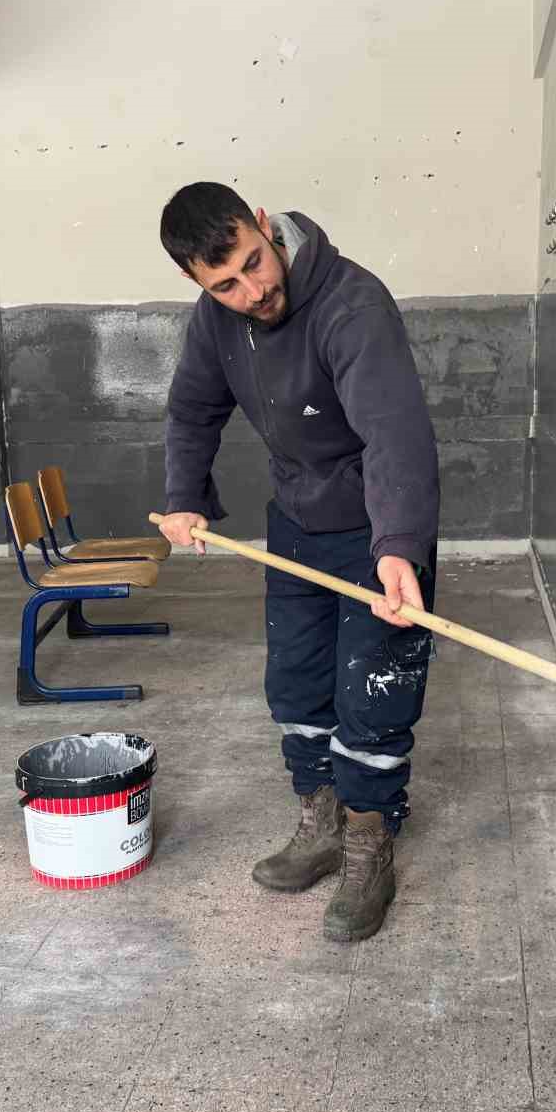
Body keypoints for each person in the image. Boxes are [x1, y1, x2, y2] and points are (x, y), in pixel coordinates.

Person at [157, 182, 439, 942]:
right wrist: (184, 495)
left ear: (261, 221)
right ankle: (319, 821)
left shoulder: (352, 304)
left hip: (377, 528)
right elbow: (192, 408)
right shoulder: (216, 320)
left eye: (254, 264)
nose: (253, 290)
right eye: (226, 284)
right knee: (298, 684)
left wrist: (401, 548)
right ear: (195, 281)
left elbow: (396, 433)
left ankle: (367, 842)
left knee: (373, 695)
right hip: (297, 523)